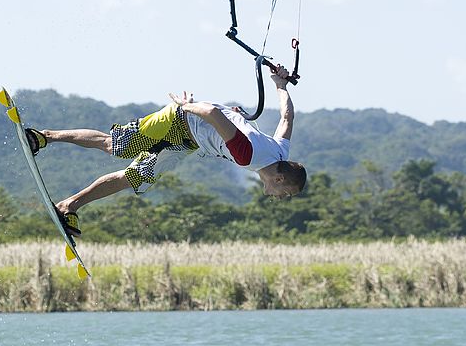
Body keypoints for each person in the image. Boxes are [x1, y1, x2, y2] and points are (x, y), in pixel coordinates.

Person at [24, 64, 307, 237]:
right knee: (117, 146)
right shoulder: (249, 156)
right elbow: (209, 112)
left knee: (135, 178)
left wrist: (281, 85)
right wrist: (186, 106)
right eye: (287, 194)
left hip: (188, 142)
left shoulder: (279, 152)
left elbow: (286, 118)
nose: (281, 198)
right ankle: (45, 137)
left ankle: (68, 206)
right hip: (180, 119)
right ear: (280, 179)